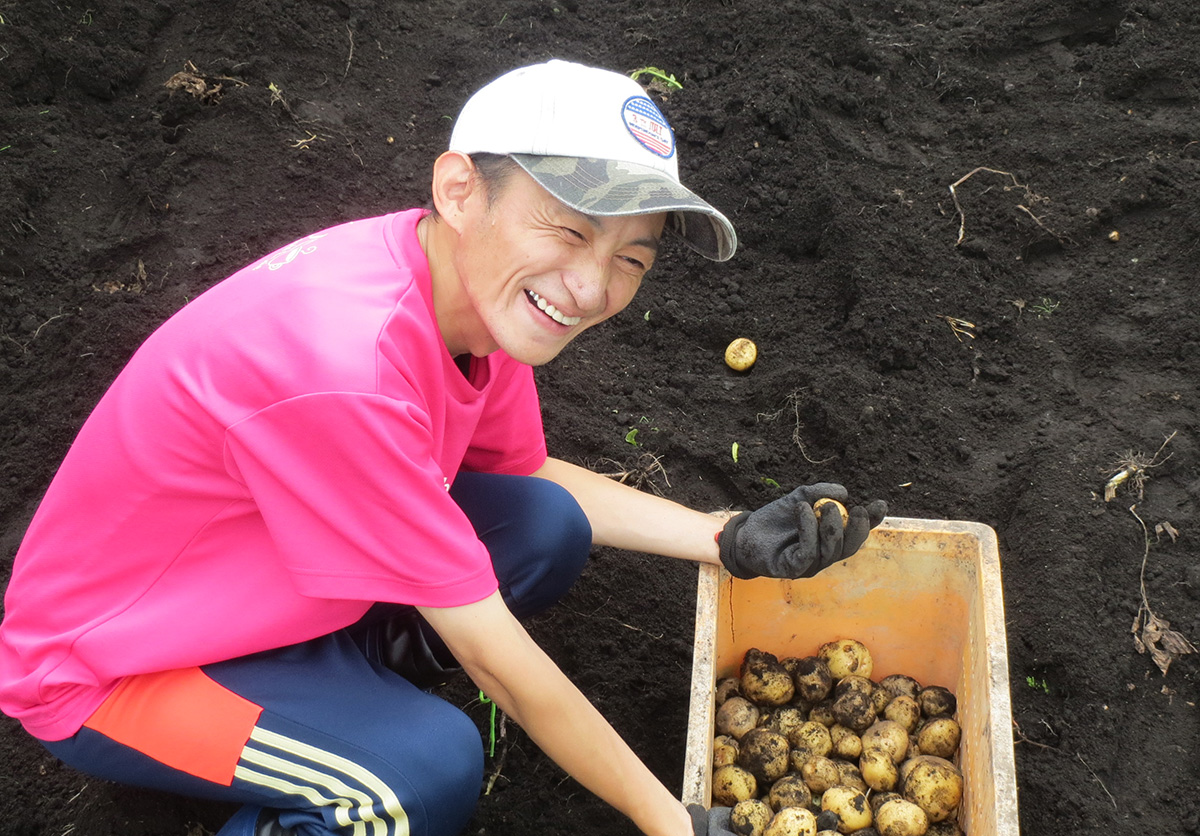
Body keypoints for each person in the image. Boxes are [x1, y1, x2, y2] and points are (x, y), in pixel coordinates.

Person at [0, 60, 886, 836]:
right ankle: (331, 754)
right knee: (415, 778)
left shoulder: (462, 292)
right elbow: (498, 660)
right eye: (570, 229)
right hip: (118, 670)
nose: (589, 287)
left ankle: (348, 689)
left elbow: (522, 474)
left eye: (631, 258)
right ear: (460, 189)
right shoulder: (346, 367)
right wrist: (671, 820)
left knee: (541, 525)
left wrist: (722, 536)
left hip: (260, 591)